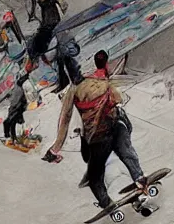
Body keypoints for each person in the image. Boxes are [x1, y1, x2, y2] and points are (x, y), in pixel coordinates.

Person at [43, 65, 146, 210]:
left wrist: (55, 150)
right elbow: (120, 99)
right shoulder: (99, 81)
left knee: (96, 176)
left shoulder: (72, 93)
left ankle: (105, 202)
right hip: (116, 126)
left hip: (98, 137)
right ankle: (139, 177)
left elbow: (65, 121)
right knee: (126, 153)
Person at [2, 73, 30, 143]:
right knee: (11, 122)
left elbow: (23, 99)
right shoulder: (17, 88)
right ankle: (10, 136)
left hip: (17, 107)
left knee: (12, 122)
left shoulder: (20, 88)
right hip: (15, 107)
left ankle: (12, 137)